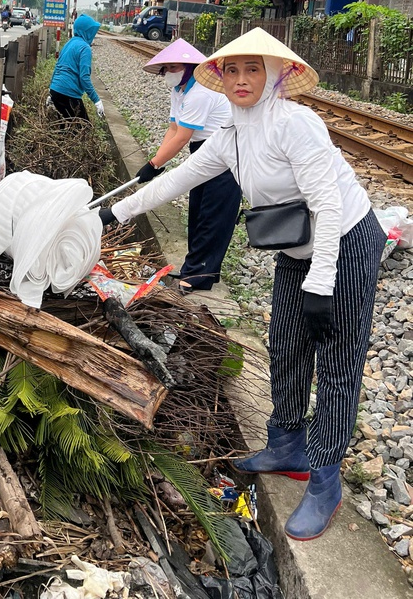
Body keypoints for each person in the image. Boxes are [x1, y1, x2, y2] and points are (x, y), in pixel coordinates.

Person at [99, 29, 385, 542]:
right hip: (298, 248)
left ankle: (325, 479)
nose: (240, 79)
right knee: (287, 346)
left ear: (275, 74)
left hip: (344, 241)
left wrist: (322, 282)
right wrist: (111, 213)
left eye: (253, 68)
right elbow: (177, 179)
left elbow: (327, 205)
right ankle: (287, 443)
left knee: (337, 362)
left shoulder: (296, 124)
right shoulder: (230, 134)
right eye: (231, 70)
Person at [137, 38, 241, 293]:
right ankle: (194, 269)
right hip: (202, 152)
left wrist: (154, 164)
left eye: (174, 67)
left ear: (190, 67)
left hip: (226, 157)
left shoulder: (201, 92)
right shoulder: (180, 90)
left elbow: (182, 137)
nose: (168, 73)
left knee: (213, 217)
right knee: (197, 212)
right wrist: (155, 162)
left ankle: (198, 276)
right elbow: (173, 128)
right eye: (166, 69)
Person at [49, 14, 105, 120]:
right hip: (68, 93)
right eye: (92, 31)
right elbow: (84, 78)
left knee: (65, 125)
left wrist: (51, 92)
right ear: (86, 32)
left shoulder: (69, 43)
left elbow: (57, 67)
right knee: (84, 126)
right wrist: (97, 100)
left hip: (55, 89)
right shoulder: (85, 48)